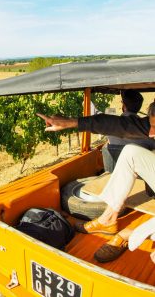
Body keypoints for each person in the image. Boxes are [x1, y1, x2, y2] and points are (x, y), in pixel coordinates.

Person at [37, 101, 155, 263]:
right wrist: (71, 122)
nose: (151, 133)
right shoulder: (150, 127)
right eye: (151, 125)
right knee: (130, 152)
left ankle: (129, 234)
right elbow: (117, 124)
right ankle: (107, 220)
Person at [102, 89, 155, 173]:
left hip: (116, 174)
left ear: (124, 106)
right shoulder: (148, 133)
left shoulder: (110, 128)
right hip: (141, 178)